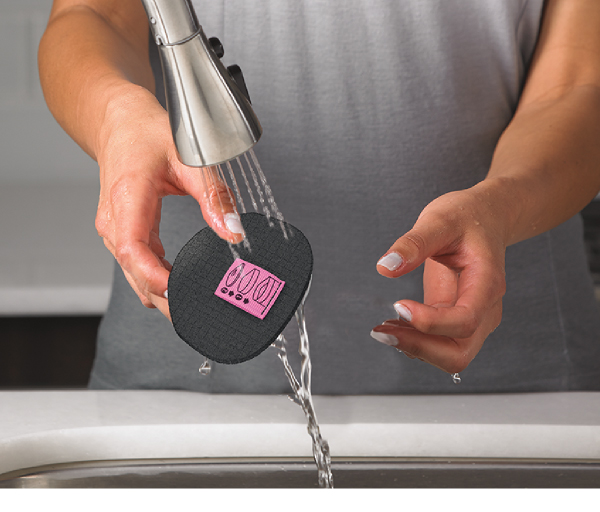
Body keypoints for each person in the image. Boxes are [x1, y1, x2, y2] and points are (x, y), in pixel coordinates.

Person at [38, 0, 600, 394]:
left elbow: (578, 81)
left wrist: (504, 204)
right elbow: (91, 15)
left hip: (512, 386)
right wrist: (115, 115)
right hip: (177, 382)